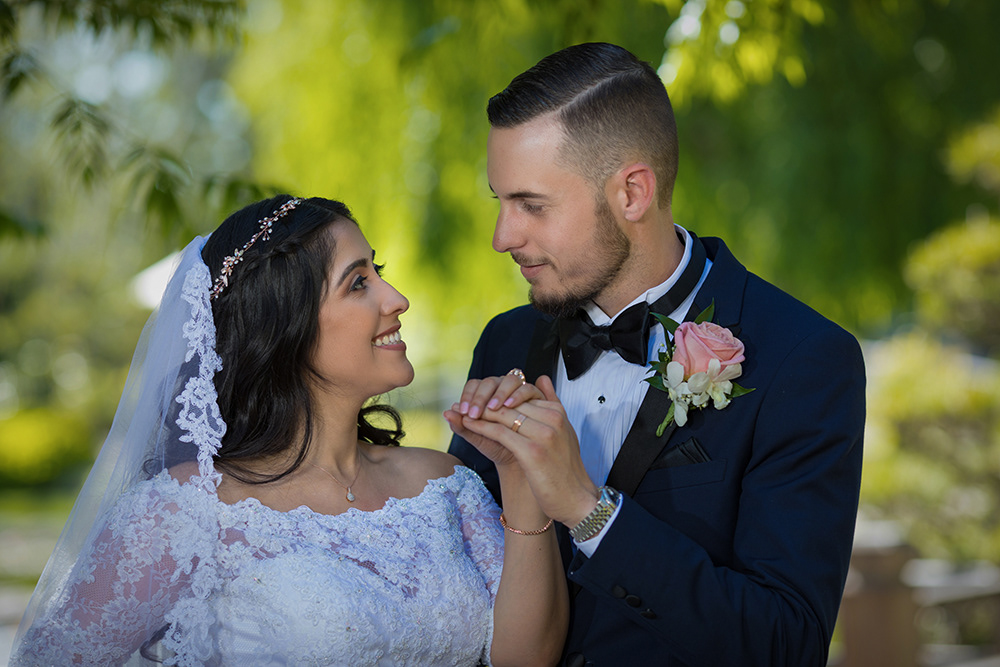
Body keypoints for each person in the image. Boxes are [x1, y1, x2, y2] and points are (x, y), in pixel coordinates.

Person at [10, 195, 567, 666]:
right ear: (285, 326)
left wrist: (519, 477)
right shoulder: (185, 512)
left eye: (379, 272)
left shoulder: (444, 483)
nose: (396, 300)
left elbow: (525, 660)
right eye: (358, 283)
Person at [446, 42, 865, 666]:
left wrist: (588, 510)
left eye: (531, 205)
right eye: (499, 201)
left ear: (633, 193)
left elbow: (786, 644)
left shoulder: (802, 359)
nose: (502, 237)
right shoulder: (504, 342)